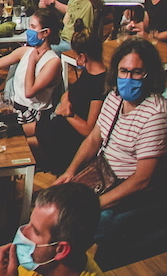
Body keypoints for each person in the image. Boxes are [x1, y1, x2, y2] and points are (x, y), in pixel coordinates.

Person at [57, 38, 167, 255]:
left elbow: (142, 180)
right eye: (123, 71)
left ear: (150, 74)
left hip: (131, 195)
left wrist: (96, 204)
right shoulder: (114, 97)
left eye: (136, 72)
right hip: (102, 177)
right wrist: (70, 172)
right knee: (55, 207)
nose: (128, 78)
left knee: (69, 227)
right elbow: (94, 139)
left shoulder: (156, 114)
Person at [29, 28, 108, 175]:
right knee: (15, 130)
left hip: (67, 139)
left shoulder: (101, 86)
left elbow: (88, 130)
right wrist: (65, 104)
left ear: (83, 57)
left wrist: (67, 113)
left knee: (19, 145)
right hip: (58, 126)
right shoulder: (88, 71)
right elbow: (68, 94)